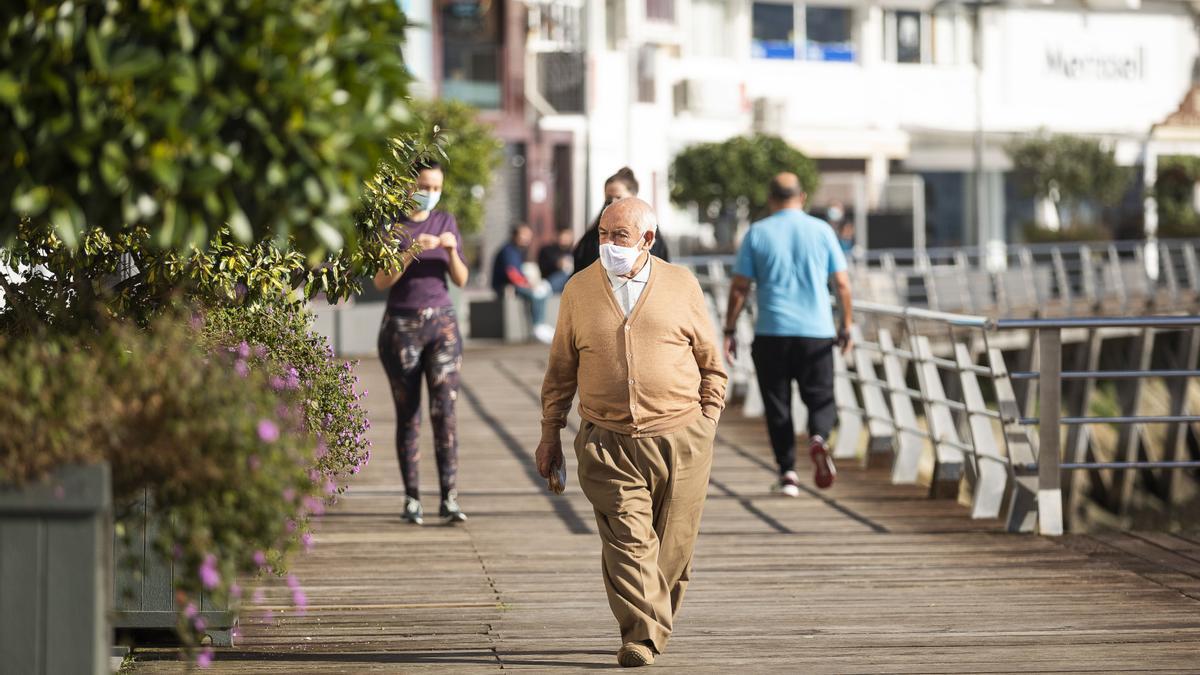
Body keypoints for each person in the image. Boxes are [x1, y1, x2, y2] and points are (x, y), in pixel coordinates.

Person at [536, 198, 727, 668]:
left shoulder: (681, 284)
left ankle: (650, 625)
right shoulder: (578, 290)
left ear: (647, 239)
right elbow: (560, 370)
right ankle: (641, 637)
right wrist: (550, 432)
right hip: (606, 440)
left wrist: (708, 418)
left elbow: (711, 363)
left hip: (683, 436)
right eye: (602, 233)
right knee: (628, 540)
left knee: (675, 549)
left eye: (619, 236)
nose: (607, 244)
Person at [723, 173, 853, 496]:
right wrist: (846, 324)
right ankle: (819, 437)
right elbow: (842, 285)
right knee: (821, 396)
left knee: (777, 404)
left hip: (772, 332)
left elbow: (740, 288)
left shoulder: (757, 233)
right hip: (817, 332)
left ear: (770, 199)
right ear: (803, 197)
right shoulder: (823, 231)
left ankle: (788, 474)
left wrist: (729, 328)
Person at [373, 160, 471, 525]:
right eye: (424, 186)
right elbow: (382, 280)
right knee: (408, 413)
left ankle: (449, 496)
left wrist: (448, 251)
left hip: (442, 323)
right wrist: (410, 248)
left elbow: (460, 278)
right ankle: (412, 498)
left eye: (435, 187)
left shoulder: (446, 221)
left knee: (444, 411)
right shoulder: (392, 225)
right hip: (401, 325)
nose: (430, 194)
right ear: (409, 186)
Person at [572, 167, 669, 275]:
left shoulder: (649, 231)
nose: (613, 203)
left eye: (619, 198)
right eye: (609, 199)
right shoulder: (591, 238)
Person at [491, 223, 554, 344]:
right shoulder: (508, 250)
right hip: (505, 286)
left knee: (541, 292)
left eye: (529, 236)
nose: (527, 238)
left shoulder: (518, 251)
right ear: (515, 235)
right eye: (524, 235)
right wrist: (529, 285)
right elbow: (512, 273)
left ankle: (540, 324)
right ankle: (538, 326)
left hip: (516, 285)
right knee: (536, 294)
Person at [537, 227, 575, 293]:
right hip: (550, 278)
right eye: (564, 236)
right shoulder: (548, 250)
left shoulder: (572, 252)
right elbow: (544, 266)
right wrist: (557, 264)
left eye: (568, 237)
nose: (566, 239)